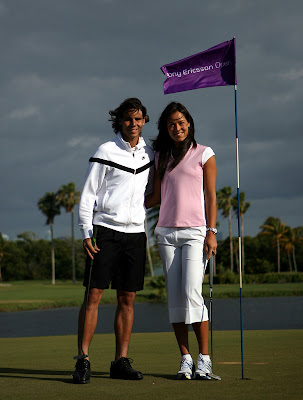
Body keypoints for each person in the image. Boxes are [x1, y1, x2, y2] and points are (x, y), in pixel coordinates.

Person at [73, 98, 154, 384]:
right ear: (119, 121)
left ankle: (120, 361)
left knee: (127, 298)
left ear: (145, 121)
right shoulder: (106, 150)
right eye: (128, 119)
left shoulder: (150, 152)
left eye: (138, 119)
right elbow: (88, 194)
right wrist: (86, 230)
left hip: (135, 234)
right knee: (93, 295)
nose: (133, 124)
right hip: (104, 231)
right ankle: (82, 359)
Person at [145, 101, 218, 380]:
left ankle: (205, 359)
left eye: (181, 121)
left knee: (191, 293)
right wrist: (123, 205)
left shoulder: (204, 153)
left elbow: (210, 195)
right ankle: (186, 358)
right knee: (175, 300)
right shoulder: (161, 156)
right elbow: (156, 197)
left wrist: (212, 231)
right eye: (171, 124)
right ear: (166, 128)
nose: (177, 127)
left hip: (195, 233)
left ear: (189, 122)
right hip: (166, 233)